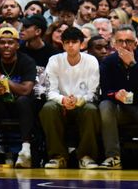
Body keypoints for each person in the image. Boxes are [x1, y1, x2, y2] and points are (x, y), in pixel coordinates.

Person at [98, 25, 138, 170]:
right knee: (104, 105)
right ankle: (113, 157)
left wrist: (133, 64)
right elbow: (104, 91)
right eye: (120, 41)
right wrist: (115, 94)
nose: (124, 45)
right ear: (114, 44)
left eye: (128, 41)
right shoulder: (108, 62)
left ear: (135, 43)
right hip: (119, 109)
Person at [40, 27, 101, 169]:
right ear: (63, 44)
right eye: (67, 42)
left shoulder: (91, 61)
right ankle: (58, 156)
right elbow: (49, 91)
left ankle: (86, 156)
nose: (71, 45)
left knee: (91, 109)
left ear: (82, 44)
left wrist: (78, 100)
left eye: (74, 42)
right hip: (61, 104)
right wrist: (63, 100)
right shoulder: (54, 60)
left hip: (82, 103)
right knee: (48, 108)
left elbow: (93, 92)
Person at [0, 25, 37, 168]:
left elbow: (25, 90)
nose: (6, 46)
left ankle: (25, 152)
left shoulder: (27, 61)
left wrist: (0, 77)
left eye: (11, 42)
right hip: (1, 106)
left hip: (21, 108)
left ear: (17, 45)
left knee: (24, 100)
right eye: (2, 42)